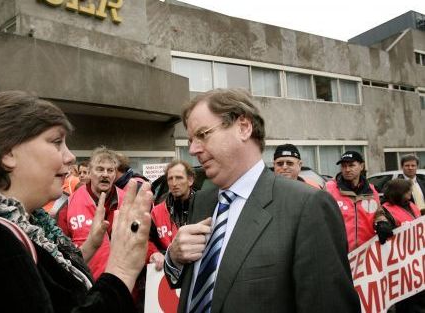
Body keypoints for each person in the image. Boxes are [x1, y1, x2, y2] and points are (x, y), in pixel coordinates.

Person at [0, 91, 153, 313]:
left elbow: (49, 285)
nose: (70, 156)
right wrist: (121, 272)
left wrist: (90, 246)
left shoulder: (18, 221)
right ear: (6, 153)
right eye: (56, 142)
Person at [164, 88, 360, 313]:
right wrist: (174, 257)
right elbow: (199, 283)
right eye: (190, 140)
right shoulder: (202, 201)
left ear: (243, 128)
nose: (193, 149)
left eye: (202, 134)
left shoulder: (307, 206)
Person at [57, 147, 125, 280]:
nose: (105, 174)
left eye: (110, 170)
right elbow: (60, 249)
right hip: (86, 283)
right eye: (100, 169)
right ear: (90, 172)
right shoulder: (70, 204)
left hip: (121, 284)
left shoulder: (128, 201)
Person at [325, 151, 389, 252]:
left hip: (366, 252)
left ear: (361, 166)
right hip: (339, 253)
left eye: (351, 165)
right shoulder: (329, 189)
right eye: (344, 166)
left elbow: (378, 214)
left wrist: (382, 222)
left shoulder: (371, 191)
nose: (347, 169)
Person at [380, 178, 425, 312]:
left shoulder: (411, 205)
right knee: (407, 302)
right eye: (408, 191)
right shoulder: (386, 210)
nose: (410, 194)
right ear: (398, 193)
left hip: (416, 261)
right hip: (400, 264)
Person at [148, 160, 195, 270]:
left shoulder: (203, 206)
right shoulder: (157, 211)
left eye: (179, 178)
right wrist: (154, 253)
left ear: (190, 180)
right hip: (167, 273)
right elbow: (147, 240)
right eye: (170, 179)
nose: (174, 183)